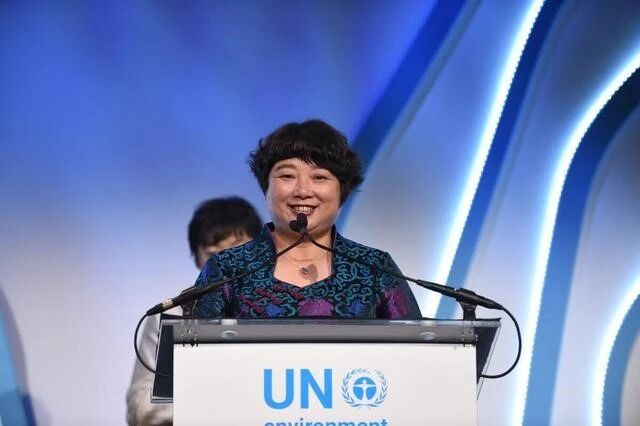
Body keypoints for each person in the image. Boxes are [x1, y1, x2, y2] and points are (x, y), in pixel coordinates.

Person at [194, 119, 421, 319]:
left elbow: (414, 347)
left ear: (341, 191)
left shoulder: (375, 268)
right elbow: (194, 348)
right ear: (266, 188)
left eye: (319, 177)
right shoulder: (227, 269)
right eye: (287, 176)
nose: (302, 191)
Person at [126, 197, 262, 426]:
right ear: (198, 261)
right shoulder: (173, 314)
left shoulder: (285, 305)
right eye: (212, 254)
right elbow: (141, 406)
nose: (225, 263)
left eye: (236, 249)